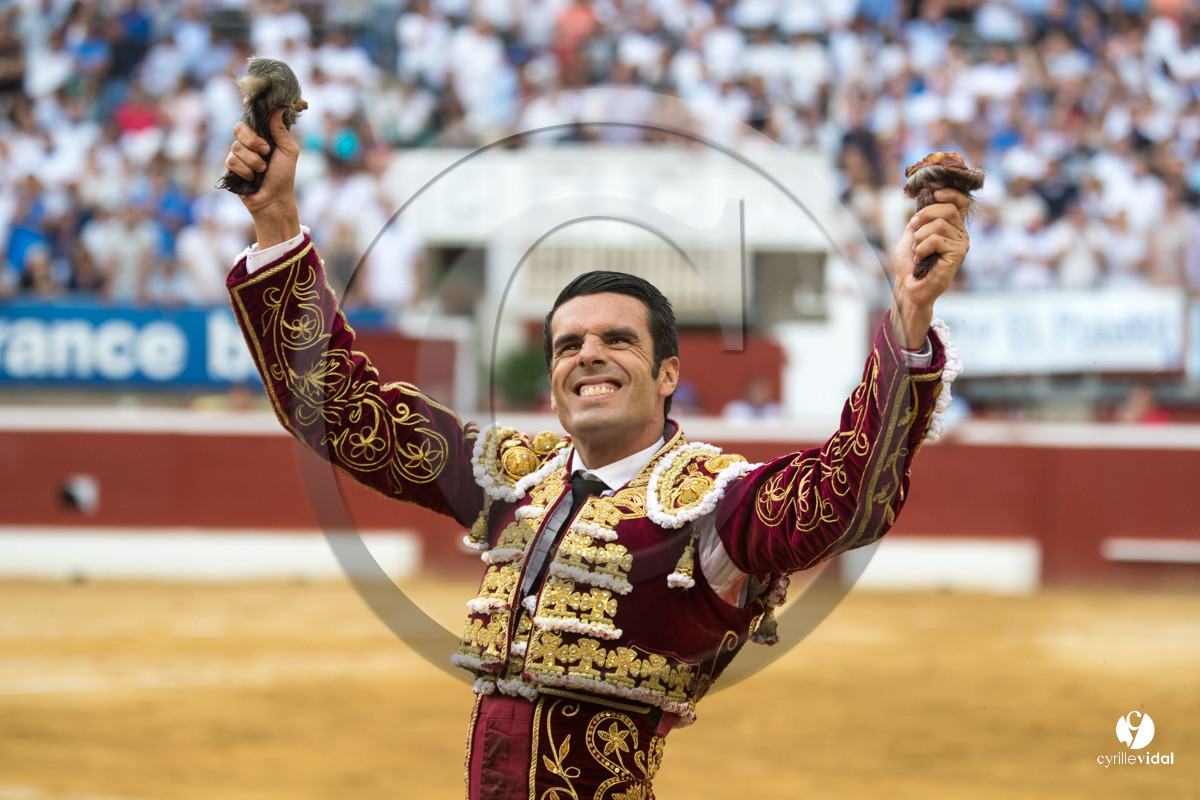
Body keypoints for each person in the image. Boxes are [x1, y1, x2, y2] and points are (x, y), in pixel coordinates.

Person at [223, 109, 971, 798]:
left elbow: (844, 493)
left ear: (669, 373)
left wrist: (908, 317)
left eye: (619, 340)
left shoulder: (712, 504)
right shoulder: (513, 477)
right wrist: (277, 223)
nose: (590, 355)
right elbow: (340, 410)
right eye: (569, 344)